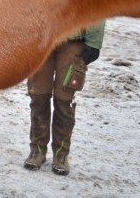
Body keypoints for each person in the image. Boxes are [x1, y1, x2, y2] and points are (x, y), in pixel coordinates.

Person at [24, 21, 106, 175]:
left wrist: (94, 41)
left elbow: (96, 6)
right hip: (40, 39)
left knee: (64, 100)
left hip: (72, 39)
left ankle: (61, 154)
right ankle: (37, 150)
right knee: (39, 96)